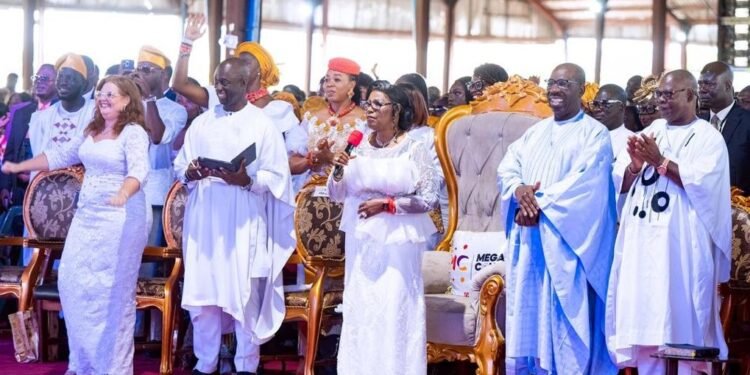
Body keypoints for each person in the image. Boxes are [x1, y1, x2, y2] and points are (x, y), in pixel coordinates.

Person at [2, 75, 151, 374]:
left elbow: (140, 170)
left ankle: (112, 367)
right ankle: (83, 363)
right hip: (87, 218)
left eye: (111, 93)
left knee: (112, 293)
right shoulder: (93, 130)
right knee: (71, 283)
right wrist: (20, 166)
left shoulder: (133, 132)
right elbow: (59, 155)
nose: (103, 97)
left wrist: (123, 192)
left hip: (121, 218)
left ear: (127, 100)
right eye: (100, 93)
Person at [173, 58, 295, 375]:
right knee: (204, 295)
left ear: (245, 85)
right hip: (205, 215)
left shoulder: (263, 125)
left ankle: (246, 365)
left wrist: (247, 181)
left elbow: (278, 176)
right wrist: (190, 171)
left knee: (244, 295)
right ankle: (206, 362)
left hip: (243, 217)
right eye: (217, 81)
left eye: (227, 83)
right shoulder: (202, 123)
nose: (220, 88)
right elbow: (180, 165)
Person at [606, 69, 730, 374]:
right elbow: (618, 180)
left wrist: (660, 162)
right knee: (643, 315)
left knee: (677, 314)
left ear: (690, 95)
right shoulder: (653, 130)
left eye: (667, 94)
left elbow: (703, 184)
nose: (660, 101)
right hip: (640, 236)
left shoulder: (709, 138)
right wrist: (634, 168)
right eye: (658, 95)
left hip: (682, 241)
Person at [497, 63, 617, 374]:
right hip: (531, 241)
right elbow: (509, 168)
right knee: (528, 323)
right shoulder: (534, 133)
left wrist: (536, 205)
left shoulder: (596, 134)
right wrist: (518, 190)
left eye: (564, 83)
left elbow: (585, 186)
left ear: (582, 89)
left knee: (562, 325)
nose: (554, 89)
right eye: (552, 82)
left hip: (565, 244)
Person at [328, 82, 438, 375]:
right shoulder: (357, 145)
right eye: (368, 104)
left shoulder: (415, 147)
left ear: (397, 111)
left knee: (393, 307)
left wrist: (388, 204)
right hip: (362, 238)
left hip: (398, 240)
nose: (371, 110)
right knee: (362, 308)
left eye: (379, 105)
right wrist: (338, 169)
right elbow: (338, 194)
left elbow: (429, 199)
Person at [173, 14, 298, 147]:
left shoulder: (277, 109)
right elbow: (179, 85)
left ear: (260, 70)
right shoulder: (220, 95)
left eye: (246, 63)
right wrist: (187, 42)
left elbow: (287, 154)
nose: (240, 67)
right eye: (238, 62)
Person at [130, 45, 188, 245]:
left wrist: (148, 99)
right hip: (121, 190)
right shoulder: (125, 103)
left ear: (164, 75)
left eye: (146, 70)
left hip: (153, 194)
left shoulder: (176, 111)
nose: (140, 75)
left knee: (147, 260)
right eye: (138, 69)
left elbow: (158, 136)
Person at [286, 57, 367, 190]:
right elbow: (290, 164)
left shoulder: (364, 121)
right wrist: (313, 159)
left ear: (352, 85)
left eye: (337, 79)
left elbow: (368, 166)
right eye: (326, 79)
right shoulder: (311, 118)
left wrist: (332, 158)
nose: (329, 84)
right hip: (309, 196)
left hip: (348, 195)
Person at [0, 64, 58, 209]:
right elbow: (10, 152)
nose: (39, 81)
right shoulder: (22, 113)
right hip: (18, 189)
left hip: (47, 188)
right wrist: (5, 186)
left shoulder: (62, 113)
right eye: (37, 77)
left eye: (45, 78)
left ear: (57, 83)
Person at [698, 61, 750, 195]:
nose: (702, 90)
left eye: (709, 84)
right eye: (700, 84)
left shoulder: (746, 122)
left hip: (739, 207)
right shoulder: (697, 123)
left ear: (727, 86)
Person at [592, 84, 632, 158]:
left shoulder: (630, 141)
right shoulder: (587, 137)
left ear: (621, 107)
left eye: (605, 104)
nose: (597, 109)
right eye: (596, 104)